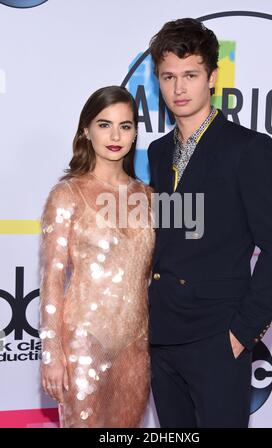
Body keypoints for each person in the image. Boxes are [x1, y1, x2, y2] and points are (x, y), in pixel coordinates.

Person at [147, 18, 272, 428]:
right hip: (161, 337)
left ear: (212, 77)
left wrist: (242, 333)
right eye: (168, 76)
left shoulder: (247, 149)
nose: (179, 88)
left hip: (217, 337)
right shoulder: (158, 152)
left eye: (190, 75)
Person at [39, 86, 154, 428]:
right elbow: (52, 282)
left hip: (136, 349)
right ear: (86, 131)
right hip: (83, 347)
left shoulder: (149, 197)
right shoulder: (67, 194)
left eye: (126, 125)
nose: (116, 135)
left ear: (135, 133)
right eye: (104, 125)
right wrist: (52, 356)